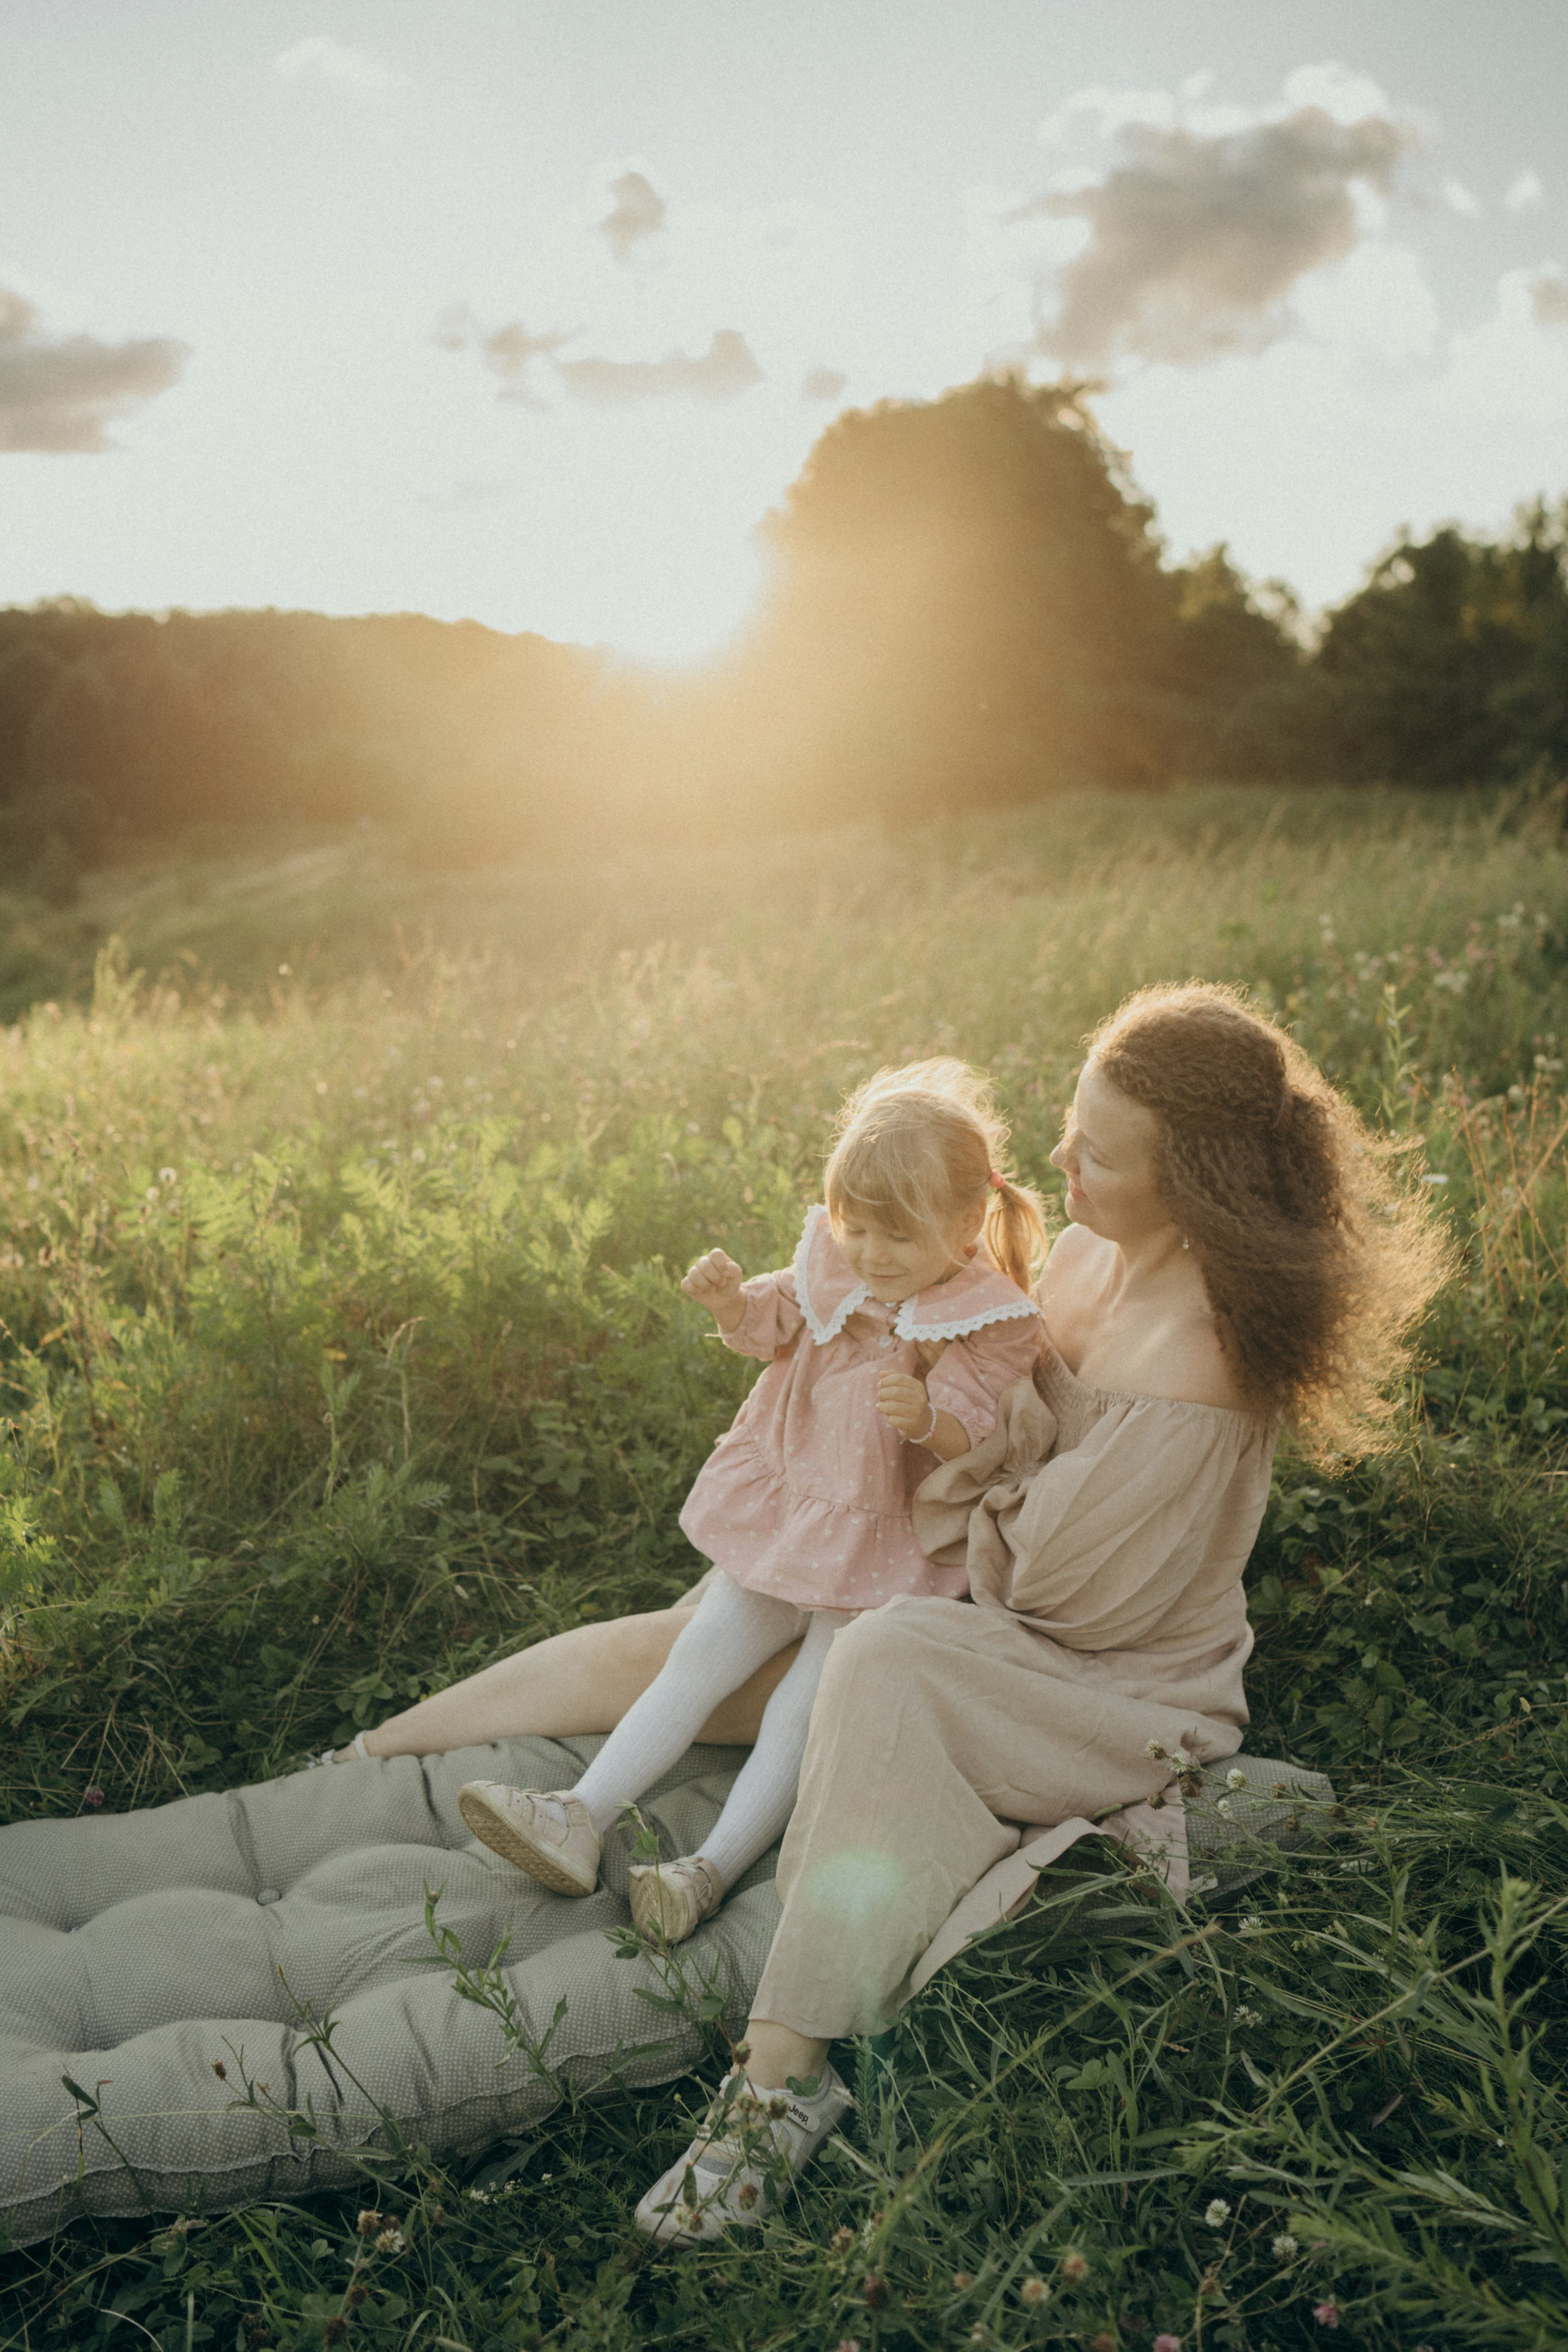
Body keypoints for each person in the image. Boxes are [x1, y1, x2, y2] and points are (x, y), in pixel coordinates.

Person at [627, 982, 1450, 2245]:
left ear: (1192, 1181)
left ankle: (775, 2079)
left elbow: (1059, 1592)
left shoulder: (1200, 1358)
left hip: (1117, 1685)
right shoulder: (1076, 1254)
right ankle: (786, 2037)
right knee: (821, 1625)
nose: (1056, 1160)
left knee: (887, 1648)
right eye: (1069, 1125)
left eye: (1096, 1152)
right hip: (1007, 1621)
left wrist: (968, 1457)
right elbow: (967, 1389)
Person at [452, 1061, 1046, 1945]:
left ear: (967, 1224)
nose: (872, 1256)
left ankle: (707, 1871)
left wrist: (930, 1417)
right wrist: (732, 1301)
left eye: (898, 1238)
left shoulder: (989, 1317)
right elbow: (773, 1319)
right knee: (697, 1658)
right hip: (796, 1509)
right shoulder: (838, 1266)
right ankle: (581, 1816)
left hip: (887, 1542)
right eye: (856, 1230)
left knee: (804, 1705)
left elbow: (984, 1433)